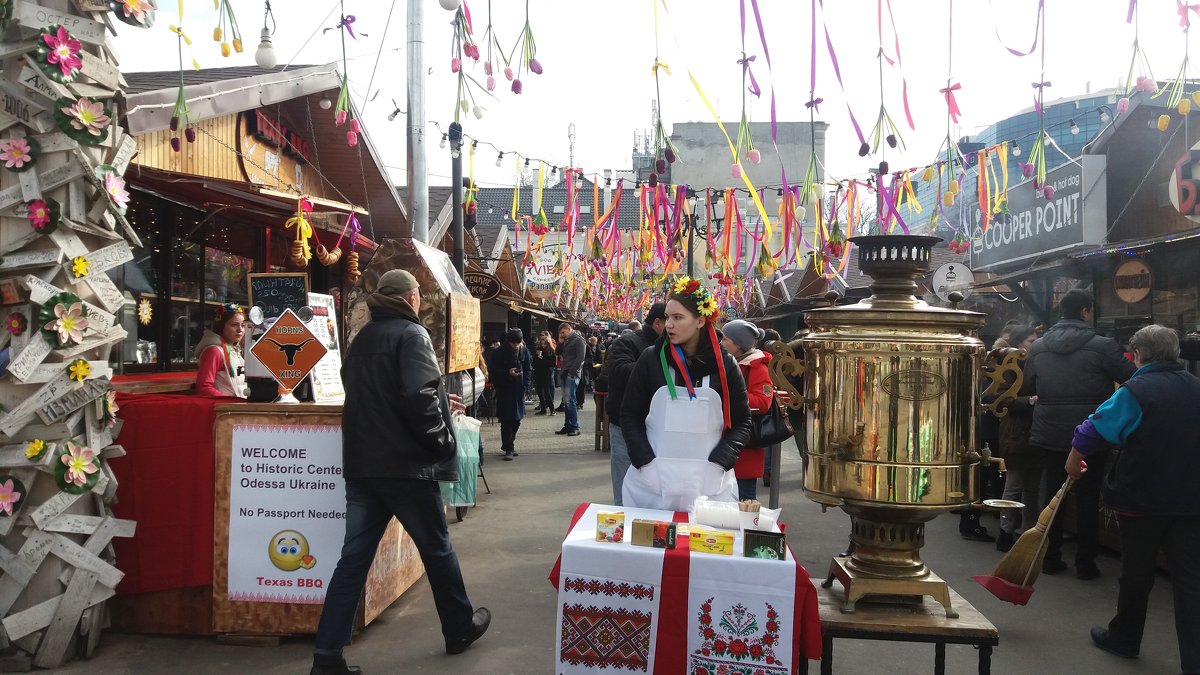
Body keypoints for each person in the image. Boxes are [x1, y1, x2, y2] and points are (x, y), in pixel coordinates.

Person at [312, 270, 489, 675]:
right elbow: (419, 396)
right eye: (418, 297)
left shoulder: (361, 340)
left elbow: (375, 393)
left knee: (352, 560)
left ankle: (326, 657)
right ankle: (459, 628)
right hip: (407, 467)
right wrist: (443, 441)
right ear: (411, 298)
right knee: (437, 549)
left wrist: (437, 405)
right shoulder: (412, 336)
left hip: (364, 466)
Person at [1063, 325, 1200, 672]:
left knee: (1136, 574)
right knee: (1190, 582)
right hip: (1190, 500)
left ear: (1137, 355)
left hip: (1141, 498)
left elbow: (1095, 428)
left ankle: (1124, 639)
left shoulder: (1136, 390)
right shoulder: (1197, 387)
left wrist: (1073, 461)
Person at [1022, 289, 1136, 579]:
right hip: (1091, 433)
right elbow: (1133, 379)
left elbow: (1029, 387)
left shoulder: (1039, 347)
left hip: (1049, 430)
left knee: (1053, 495)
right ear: (1086, 311)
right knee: (1088, 497)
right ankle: (1086, 563)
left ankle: (1050, 557)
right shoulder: (1103, 345)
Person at [619, 277, 752, 511]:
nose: (669, 324)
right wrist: (644, 462)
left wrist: (721, 462)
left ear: (701, 320)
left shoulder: (726, 365)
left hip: (710, 487)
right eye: (668, 317)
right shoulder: (651, 359)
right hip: (652, 486)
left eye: (678, 318)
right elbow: (630, 415)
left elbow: (742, 422)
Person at [597, 303, 666, 505]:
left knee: (655, 488)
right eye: (671, 319)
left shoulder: (674, 347)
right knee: (625, 487)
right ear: (658, 323)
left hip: (660, 426)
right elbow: (617, 372)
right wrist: (654, 366)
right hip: (626, 425)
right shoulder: (628, 342)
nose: (673, 325)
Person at [996, 325, 1040, 552]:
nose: (1035, 344)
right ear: (1019, 343)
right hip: (1016, 433)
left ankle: (1028, 533)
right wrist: (1030, 400)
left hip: (1034, 433)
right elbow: (1002, 400)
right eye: (1031, 341)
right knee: (1014, 486)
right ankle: (1006, 531)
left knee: (1032, 488)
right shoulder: (1010, 367)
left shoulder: (1038, 364)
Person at [720, 320, 772, 501]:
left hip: (745, 447)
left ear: (739, 344)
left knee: (744, 501)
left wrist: (732, 395)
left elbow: (763, 402)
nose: (721, 342)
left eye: (726, 339)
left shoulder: (757, 367)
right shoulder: (728, 362)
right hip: (727, 442)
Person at [489, 327, 533, 460]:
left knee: (517, 419)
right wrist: (507, 373)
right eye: (513, 343)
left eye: (518, 343)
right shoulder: (499, 353)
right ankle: (509, 447)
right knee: (506, 420)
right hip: (505, 388)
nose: (515, 345)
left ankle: (508, 444)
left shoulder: (524, 351)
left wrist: (526, 384)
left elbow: (528, 369)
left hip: (519, 389)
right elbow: (494, 371)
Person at [194, 303, 248, 398]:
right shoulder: (214, 351)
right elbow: (204, 387)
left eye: (243, 325)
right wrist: (228, 403)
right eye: (234, 325)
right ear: (221, 326)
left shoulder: (236, 350)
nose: (240, 330)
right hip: (227, 409)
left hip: (239, 406)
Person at [556, 323, 586, 437]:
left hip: (571, 374)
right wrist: (560, 341)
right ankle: (568, 425)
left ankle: (574, 426)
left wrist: (573, 371)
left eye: (563, 332)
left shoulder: (579, 340)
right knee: (566, 401)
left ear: (569, 329)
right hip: (565, 372)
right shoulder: (566, 340)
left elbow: (581, 357)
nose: (562, 335)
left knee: (570, 401)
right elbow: (557, 352)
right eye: (560, 333)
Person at [532, 331, 557, 416]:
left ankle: (552, 409)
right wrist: (536, 357)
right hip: (539, 372)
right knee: (539, 391)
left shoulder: (551, 350)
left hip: (547, 372)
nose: (542, 343)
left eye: (544, 341)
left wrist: (543, 359)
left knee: (547, 392)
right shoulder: (538, 349)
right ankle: (543, 409)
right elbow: (535, 361)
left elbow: (553, 363)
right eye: (541, 341)